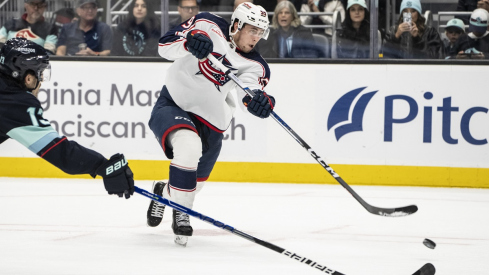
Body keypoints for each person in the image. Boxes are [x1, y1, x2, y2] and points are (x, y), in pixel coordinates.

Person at [146, 2, 276, 246]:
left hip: (212, 123)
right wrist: (187, 42)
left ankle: (162, 193)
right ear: (237, 25)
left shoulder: (256, 65)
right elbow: (164, 47)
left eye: (261, 32)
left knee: (191, 186)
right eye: (252, 30)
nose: (257, 37)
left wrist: (260, 101)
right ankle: (182, 214)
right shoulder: (207, 23)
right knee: (188, 147)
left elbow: (250, 92)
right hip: (175, 103)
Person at [0, 38, 134, 199]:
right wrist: (103, 166)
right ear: (28, 77)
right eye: (39, 74)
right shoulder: (15, 101)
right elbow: (60, 152)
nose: (41, 81)